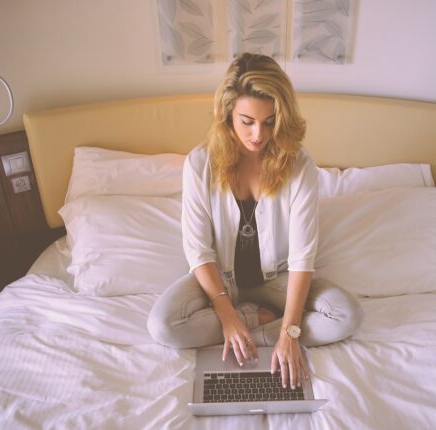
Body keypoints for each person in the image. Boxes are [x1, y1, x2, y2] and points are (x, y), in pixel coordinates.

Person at [148, 53, 362, 390]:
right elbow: (198, 250)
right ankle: (257, 321)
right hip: (221, 282)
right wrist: (228, 315)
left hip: (280, 278)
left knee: (346, 315)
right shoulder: (199, 163)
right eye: (247, 121)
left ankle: (264, 331)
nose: (258, 134)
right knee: (163, 325)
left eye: (269, 121)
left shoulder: (300, 166)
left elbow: (303, 257)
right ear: (227, 114)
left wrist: (290, 333)